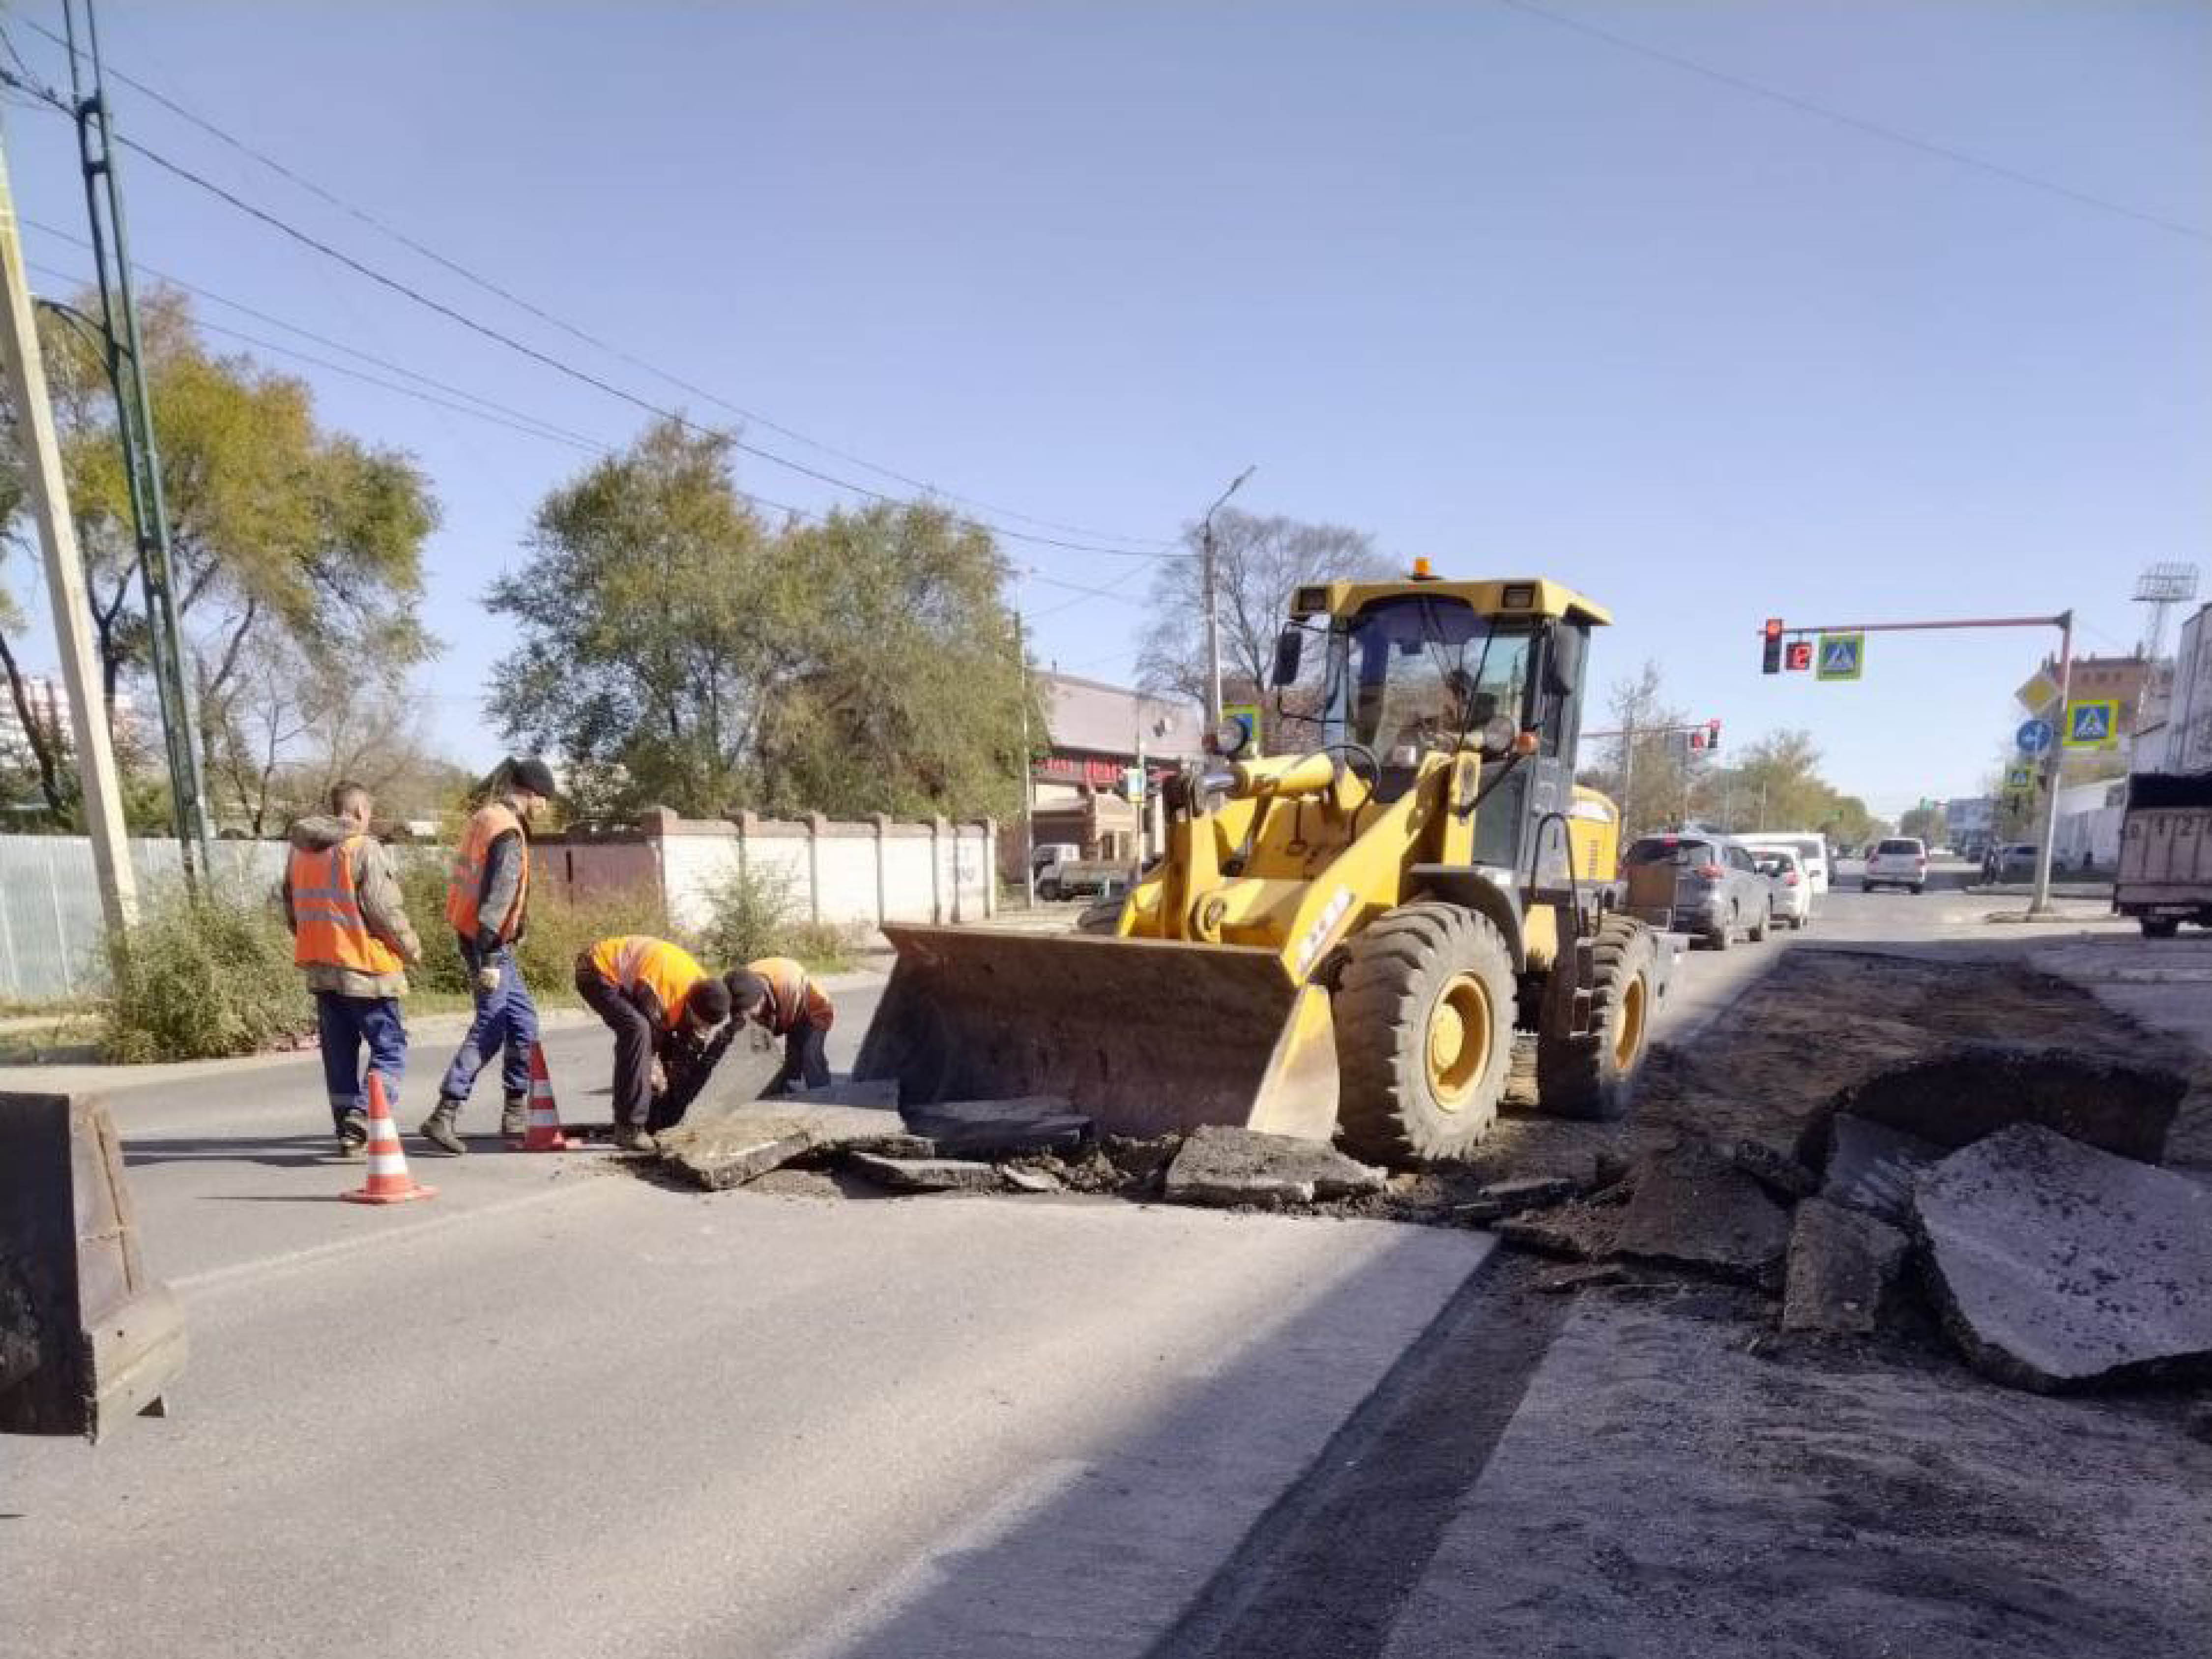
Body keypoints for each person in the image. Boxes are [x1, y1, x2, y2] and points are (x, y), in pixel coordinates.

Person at [420, 757, 556, 1155]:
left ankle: (515, 1110)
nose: (545, 808)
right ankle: (445, 1111)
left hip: (476, 935)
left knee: (524, 1022)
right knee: (492, 1026)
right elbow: (499, 896)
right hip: (489, 944)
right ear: (531, 793)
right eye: (545, 799)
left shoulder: (485, 817)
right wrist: (492, 957)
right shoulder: (508, 831)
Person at [280, 781, 421, 1158]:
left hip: (321, 969)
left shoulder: (300, 853)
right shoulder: (363, 848)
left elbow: (292, 908)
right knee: (390, 1048)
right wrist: (410, 948)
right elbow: (383, 910)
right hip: (365, 969)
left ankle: (348, 1129)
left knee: (339, 1055)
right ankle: (365, 1114)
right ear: (360, 811)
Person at [573, 934, 735, 1151]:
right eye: (700, 1023)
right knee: (638, 1032)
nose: (701, 1030)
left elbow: (683, 1046)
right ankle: (629, 1128)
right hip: (596, 970)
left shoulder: (705, 993)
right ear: (691, 1008)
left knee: (661, 1038)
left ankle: (650, 1115)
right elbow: (651, 1050)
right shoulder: (662, 991)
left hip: (639, 980)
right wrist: (657, 1076)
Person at [727, 956, 835, 1096]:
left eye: (752, 1011)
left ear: (761, 999)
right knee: (792, 1058)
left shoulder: (785, 988)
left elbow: (769, 1037)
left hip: (814, 1011)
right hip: (789, 1006)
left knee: (811, 1055)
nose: (749, 1017)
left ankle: (821, 1094)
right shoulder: (738, 988)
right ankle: (788, 1090)